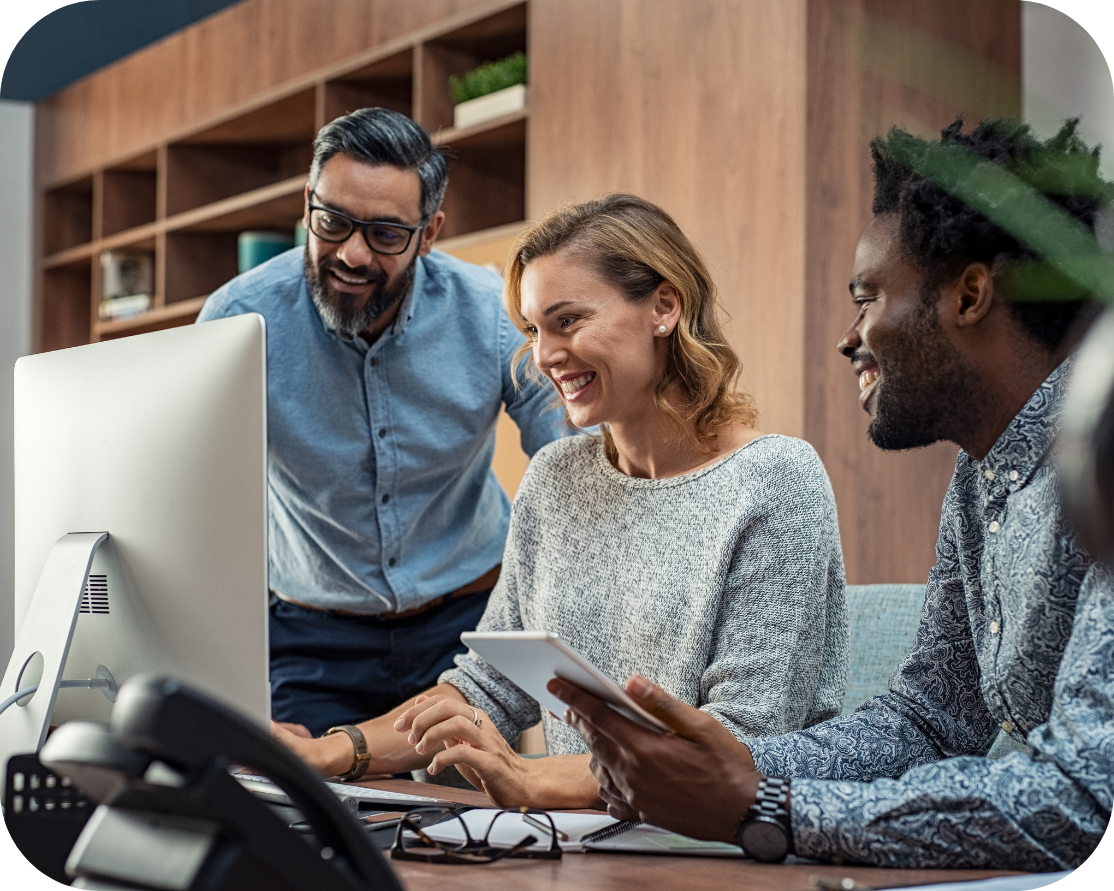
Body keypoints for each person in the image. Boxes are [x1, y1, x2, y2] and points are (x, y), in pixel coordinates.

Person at [552, 119, 1113, 871]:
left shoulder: (1102, 458)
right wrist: (735, 767)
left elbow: (1079, 798)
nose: (851, 338)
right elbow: (930, 720)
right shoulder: (985, 471)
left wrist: (765, 805)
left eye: (868, 297)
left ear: (970, 294)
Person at [273, 194, 848, 808]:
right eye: (533, 330)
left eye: (568, 321)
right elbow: (487, 688)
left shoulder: (777, 480)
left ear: (663, 306)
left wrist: (531, 780)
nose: (544, 356)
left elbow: (741, 744)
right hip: (582, 838)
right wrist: (333, 752)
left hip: (726, 843)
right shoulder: (554, 478)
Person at [197, 108, 565, 740]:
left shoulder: (491, 315)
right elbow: (196, 498)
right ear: (308, 201)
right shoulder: (237, 322)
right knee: (308, 819)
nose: (351, 253)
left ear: (429, 233)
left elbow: (574, 458)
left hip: (468, 627)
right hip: (313, 639)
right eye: (333, 222)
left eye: (387, 234)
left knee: (474, 825)